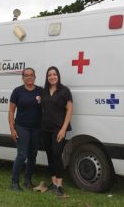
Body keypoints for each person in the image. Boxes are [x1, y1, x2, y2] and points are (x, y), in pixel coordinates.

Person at [41, 66, 73, 197]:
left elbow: (69, 110)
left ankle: (59, 185)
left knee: (56, 154)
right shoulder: (43, 91)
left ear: (58, 76)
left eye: (54, 74)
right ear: (47, 77)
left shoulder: (64, 91)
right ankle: (53, 182)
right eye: (49, 75)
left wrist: (63, 129)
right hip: (45, 128)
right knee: (49, 154)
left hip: (59, 129)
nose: (52, 77)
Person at [9, 68, 43, 191]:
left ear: (35, 77)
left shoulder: (40, 91)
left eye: (31, 75)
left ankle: (27, 181)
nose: (29, 77)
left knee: (33, 155)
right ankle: (14, 183)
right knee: (22, 155)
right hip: (22, 127)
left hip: (36, 128)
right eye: (26, 75)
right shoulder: (17, 91)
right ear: (22, 77)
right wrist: (12, 129)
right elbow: (11, 110)